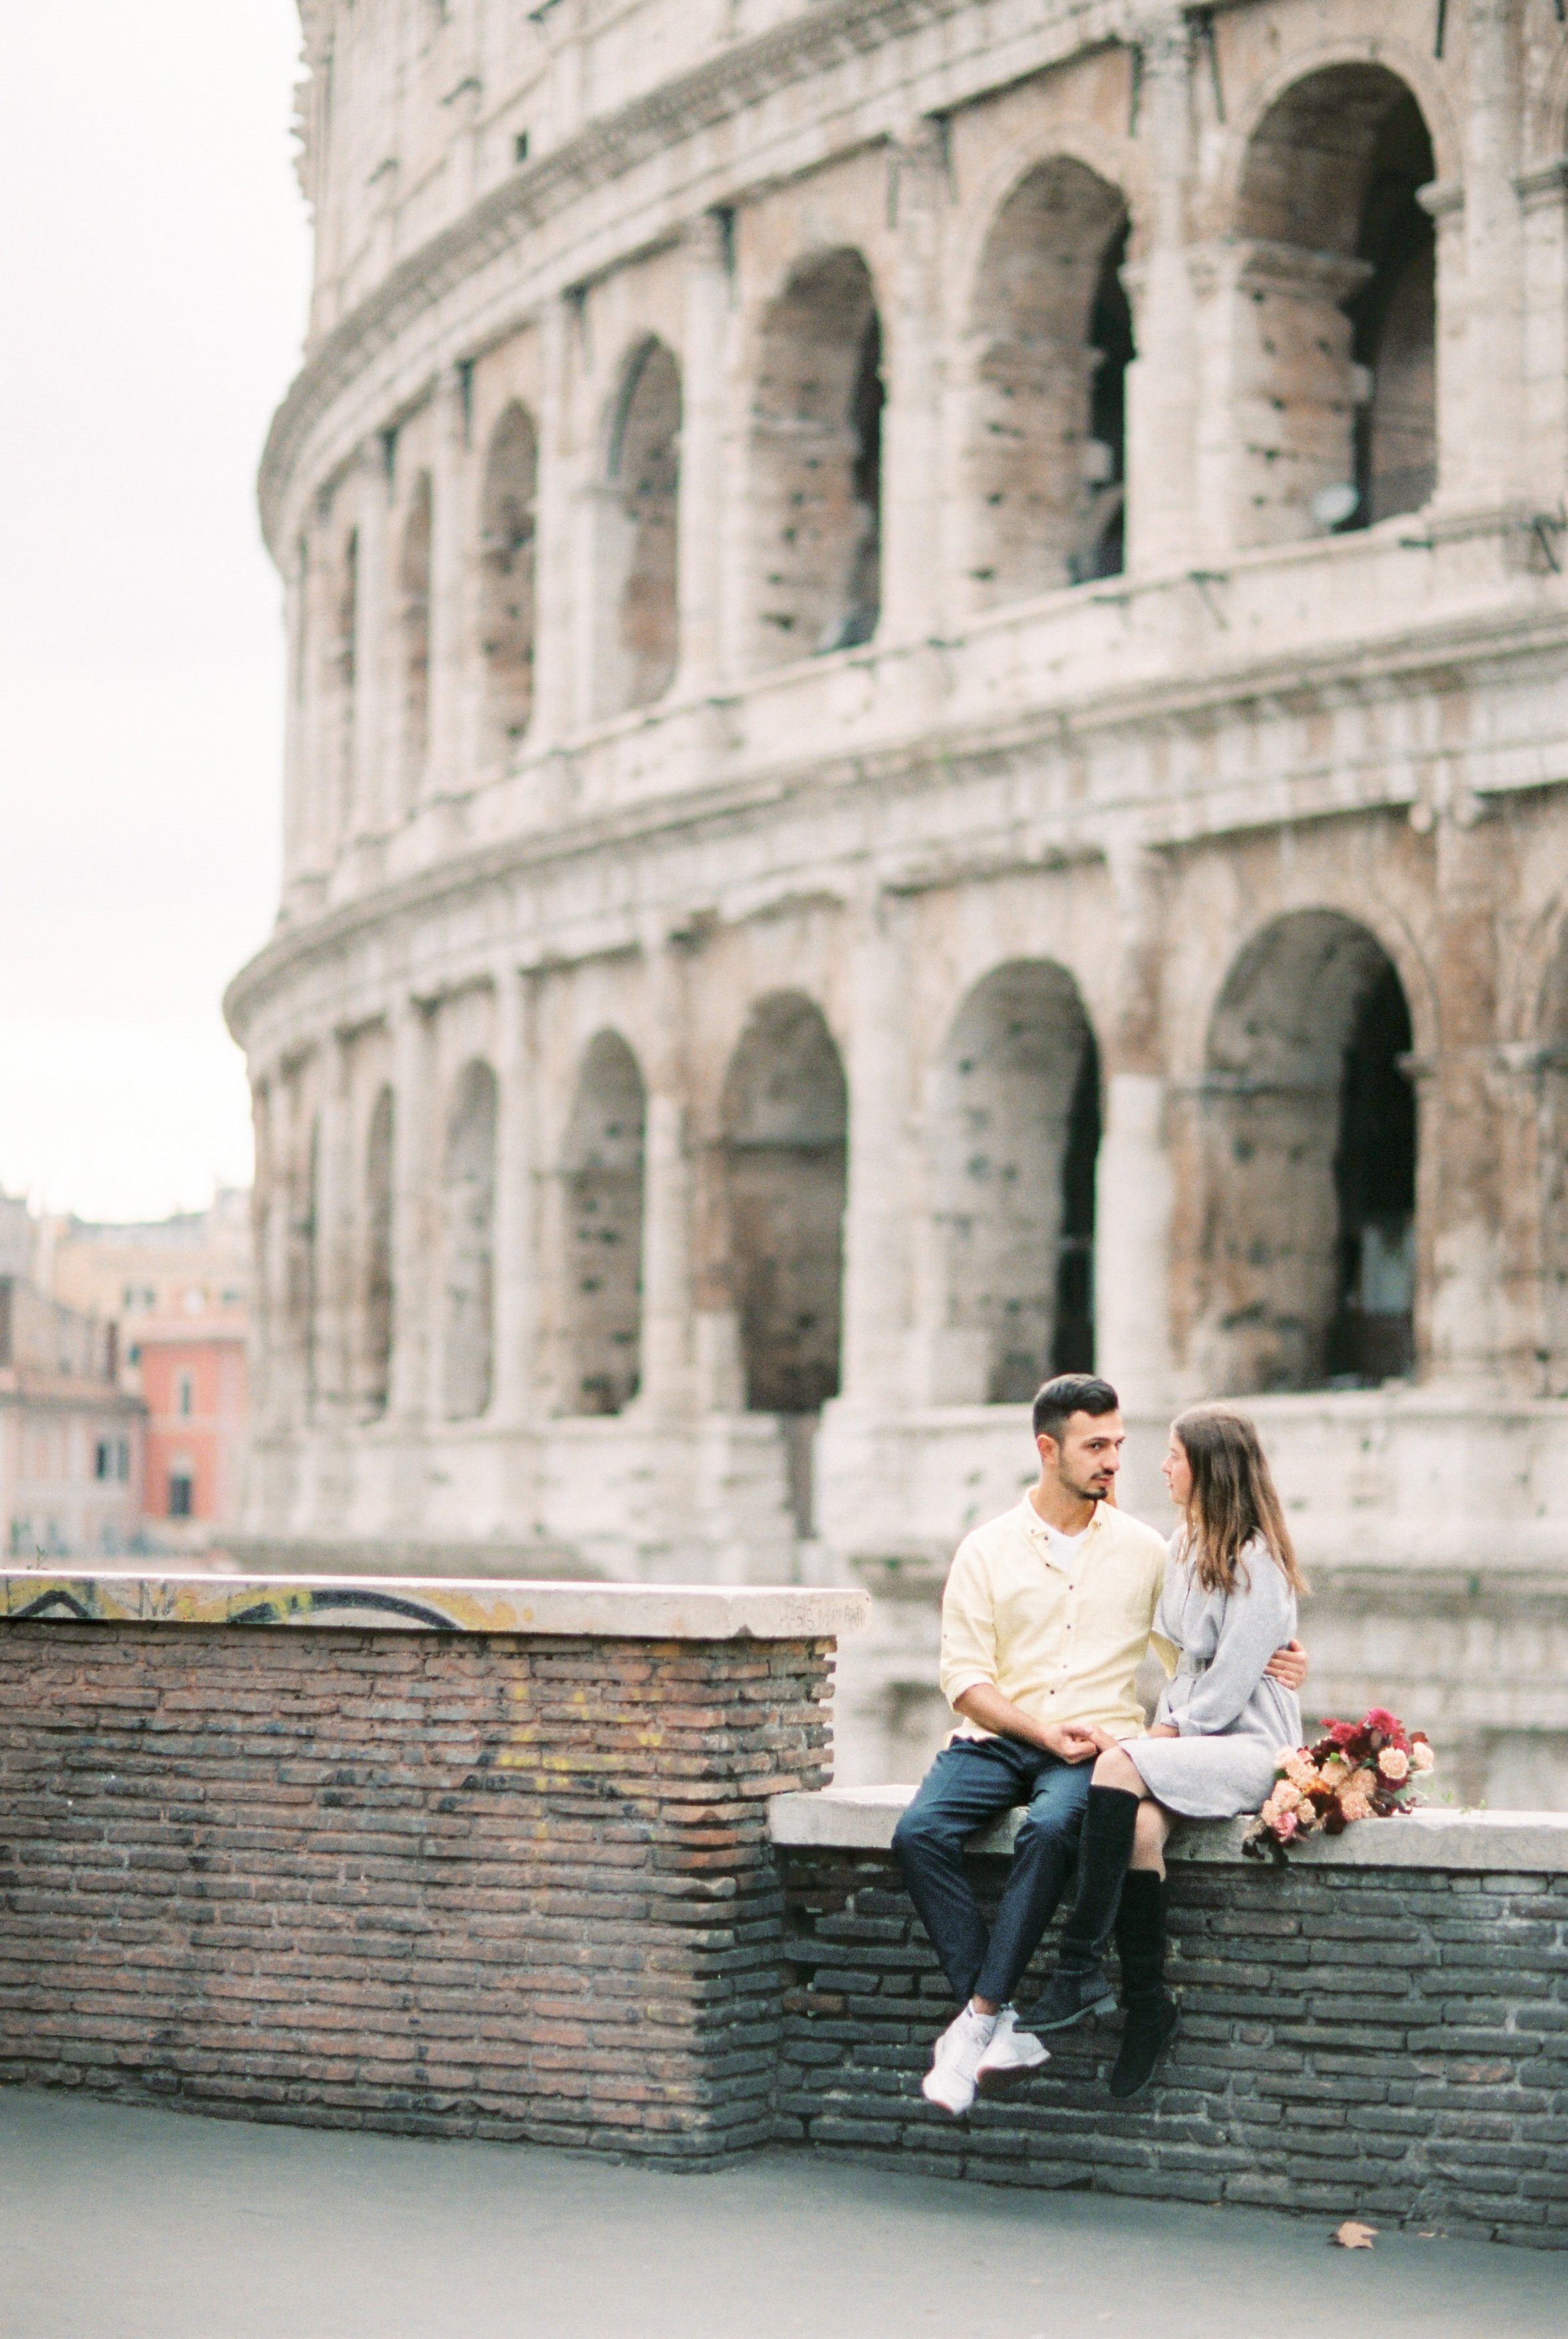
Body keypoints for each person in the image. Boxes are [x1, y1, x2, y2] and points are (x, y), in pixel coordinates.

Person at [892, 1376, 1307, 2116]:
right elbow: (963, 1677)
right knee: (920, 1832)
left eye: (1125, 1444)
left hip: (1111, 1745)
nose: (1121, 1460)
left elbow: (1206, 1661)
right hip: (1000, 1738)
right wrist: (1054, 1729)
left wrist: (1279, 1662)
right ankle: (1006, 2016)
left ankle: (1071, 1974)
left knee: (1057, 1827)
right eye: (1097, 1446)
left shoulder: (1149, 1548)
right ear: (1047, 1449)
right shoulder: (992, 1547)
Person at [1026, 1405, 1308, 2099]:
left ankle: (1076, 1967)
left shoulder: (1257, 1561)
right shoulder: (1184, 1542)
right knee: (1139, 1830)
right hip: (1192, 1734)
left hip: (1249, 1743)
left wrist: (1151, 1738)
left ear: (1208, 1466)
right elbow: (1171, 1650)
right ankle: (1149, 2005)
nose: (1161, 1466)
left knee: (1114, 1765)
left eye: (1174, 1455)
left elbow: (1226, 1687)